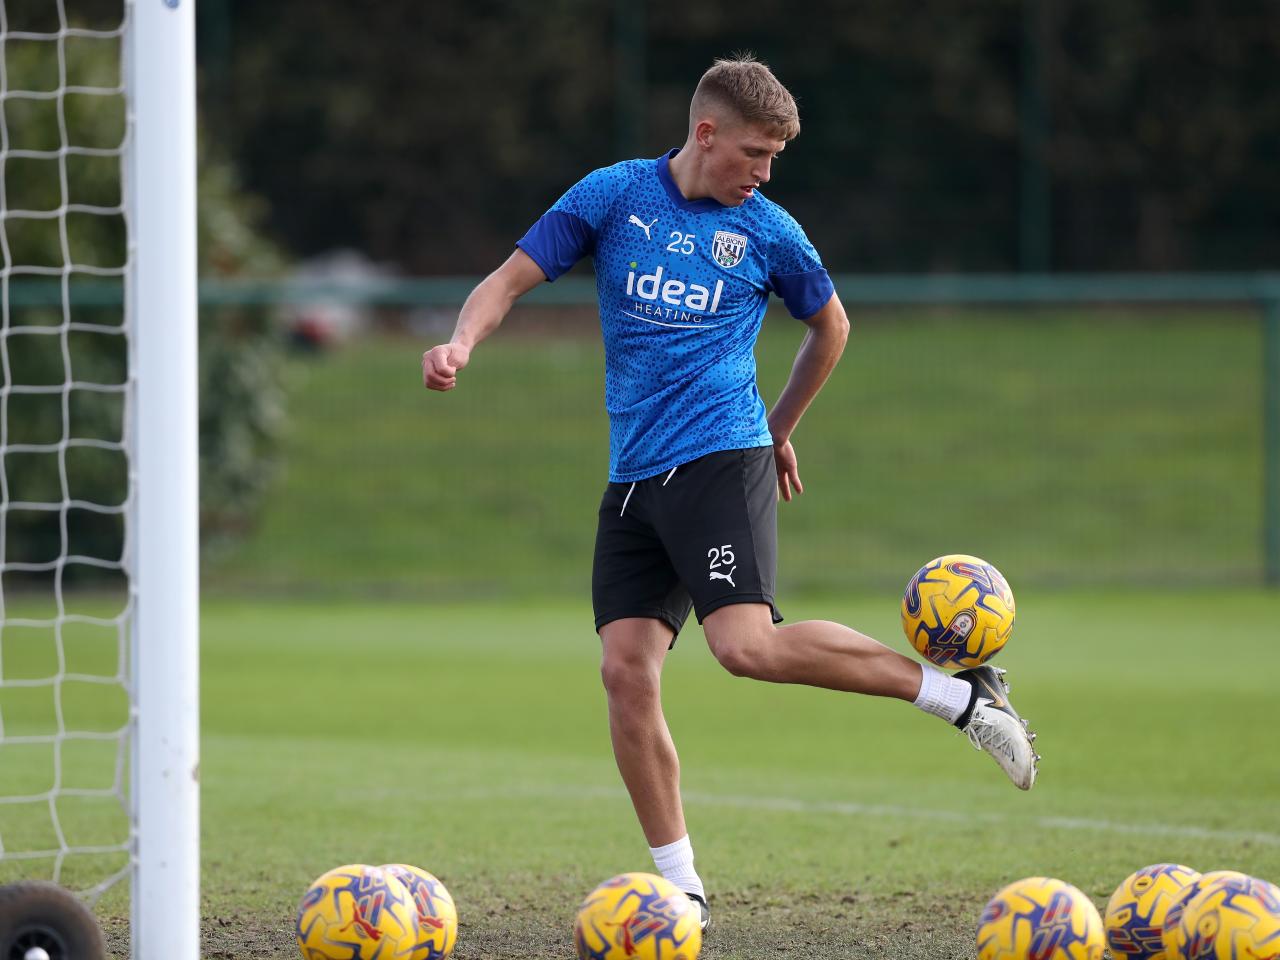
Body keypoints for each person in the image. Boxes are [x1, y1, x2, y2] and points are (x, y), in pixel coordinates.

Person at [422, 54, 1038, 930]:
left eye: (775, 157)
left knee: (745, 647)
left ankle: (964, 699)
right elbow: (507, 281)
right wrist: (461, 344)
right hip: (634, 477)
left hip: (721, 456)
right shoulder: (613, 196)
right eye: (754, 152)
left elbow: (831, 326)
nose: (764, 172)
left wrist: (780, 429)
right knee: (625, 674)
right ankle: (684, 891)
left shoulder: (772, 232)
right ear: (704, 134)